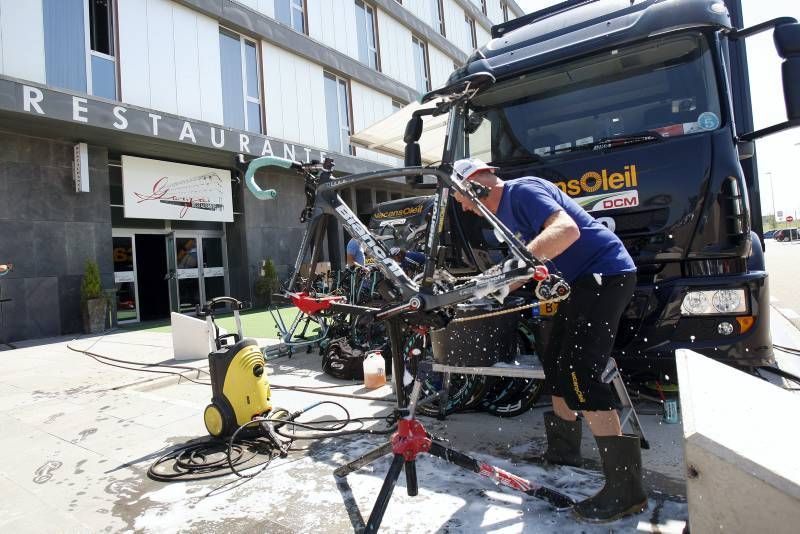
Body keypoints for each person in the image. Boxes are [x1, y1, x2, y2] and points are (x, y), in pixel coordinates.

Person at [452, 158, 645, 522]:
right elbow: (528, 265)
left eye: (461, 195)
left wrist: (512, 270)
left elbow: (566, 230)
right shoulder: (501, 219)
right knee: (555, 363)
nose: (462, 205)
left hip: (606, 273)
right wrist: (488, 288)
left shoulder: (522, 191)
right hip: (581, 282)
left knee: (580, 370)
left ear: (475, 183)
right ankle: (563, 453)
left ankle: (626, 489)